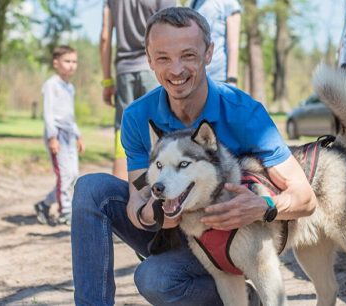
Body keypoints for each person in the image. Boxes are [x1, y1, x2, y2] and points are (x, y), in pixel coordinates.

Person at [71, 7, 317, 305]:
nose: (176, 70)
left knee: (154, 279)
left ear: (209, 53)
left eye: (188, 55)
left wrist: (262, 206)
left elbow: (306, 198)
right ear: (148, 59)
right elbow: (139, 197)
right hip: (176, 233)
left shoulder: (244, 113)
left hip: (236, 238)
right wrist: (154, 214)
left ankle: (242, 297)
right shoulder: (137, 117)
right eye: (163, 57)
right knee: (91, 189)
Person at [100, 0, 175, 181]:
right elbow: (172, 31)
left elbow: (105, 37)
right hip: (155, 69)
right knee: (161, 135)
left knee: (123, 133)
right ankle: (159, 201)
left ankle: (121, 197)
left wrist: (107, 80)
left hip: (124, 72)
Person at [35, 45, 85, 226]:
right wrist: (52, 137)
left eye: (74, 62)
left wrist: (78, 135)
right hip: (57, 135)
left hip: (70, 135)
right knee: (64, 175)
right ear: (56, 63)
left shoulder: (69, 87)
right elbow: (48, 113)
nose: (71, 65)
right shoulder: (51, 85)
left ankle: (45, 204)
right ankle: (65, 211)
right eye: (67, 61)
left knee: (73, 175)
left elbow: (70, 115)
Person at [190, 0, 241, 86]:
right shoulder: (194, 3)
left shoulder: (230, 3)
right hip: (196, 78)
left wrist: (232, 81)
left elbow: (233, 46)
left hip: (219, 79)